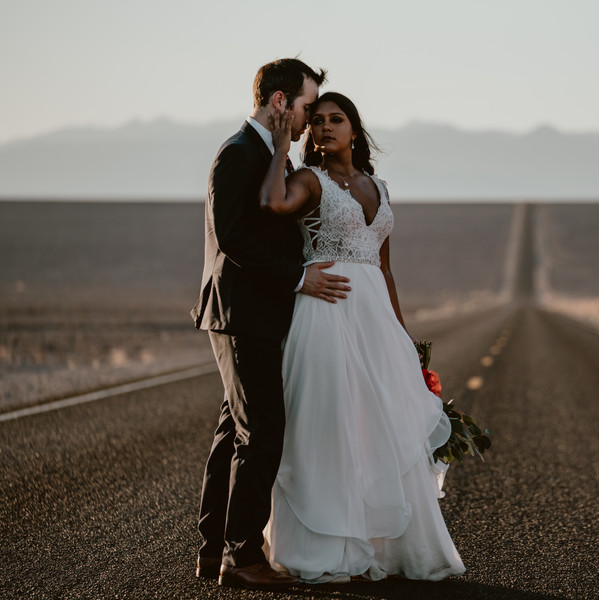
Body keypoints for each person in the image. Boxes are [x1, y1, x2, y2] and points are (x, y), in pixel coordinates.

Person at [258, 92, 466, 583]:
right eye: (320, 122)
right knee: (328, 425)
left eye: (338, 120)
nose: (327, 127)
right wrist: (282, 144)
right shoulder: (308, 179)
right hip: (325, 312)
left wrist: (403, 335)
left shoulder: (380, 187)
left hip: (375, 321)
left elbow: (386, 270)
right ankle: (325, 550)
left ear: (355, 129)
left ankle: (386, 548)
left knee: (380, 429)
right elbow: (272, 202)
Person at [190, 58, 352, 591]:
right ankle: (242, 555)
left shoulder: (266, 153)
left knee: (231, 434)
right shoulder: (239, 154)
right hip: (240, 314)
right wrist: (297, 279)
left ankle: (214, 552)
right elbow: (235, 237)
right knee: (262, 432)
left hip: (256, 314)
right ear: (280, 103)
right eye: (307, 106)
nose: (310, 120)